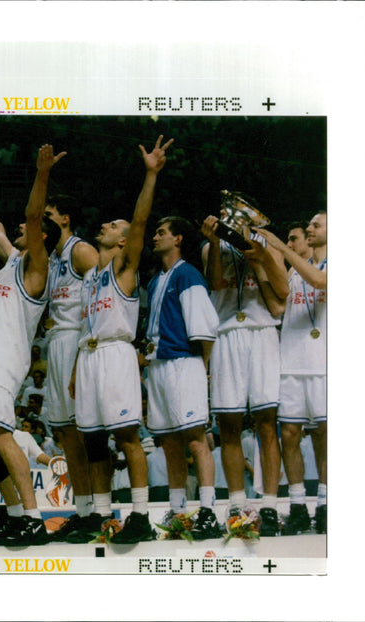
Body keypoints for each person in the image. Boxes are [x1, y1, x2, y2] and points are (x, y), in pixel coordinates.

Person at [66, 135, 173, 543]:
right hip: (89, 357)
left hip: (115, 355)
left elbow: (141, 222)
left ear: (124, 240)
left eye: (113, 226)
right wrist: (77, 369)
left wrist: (150, 176)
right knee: (92, 440)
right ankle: (101, 515)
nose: (105, 226)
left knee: (127, 435)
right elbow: (82, 328)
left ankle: (141, 515)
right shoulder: (90, 276)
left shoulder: (124, 269)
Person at [0, 144, 64, 546]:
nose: (20, 231)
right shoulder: (12, 263)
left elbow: (32, 217)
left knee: (1, 435)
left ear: (40, 238)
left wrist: (42, 173)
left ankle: (34, 518)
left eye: (28, 232)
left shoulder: (38, 269)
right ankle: (14, 516)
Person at [201, 197, 289, 536]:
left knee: (267, 421)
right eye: (224, 212)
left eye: (233, 212)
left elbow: (282, 291)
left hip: (262, 330)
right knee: (229, 422)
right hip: (227, 332)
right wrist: (212, 241)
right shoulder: (212, 246)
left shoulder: (268, 243)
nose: (226, 216)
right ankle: (237, 504)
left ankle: (269, 503)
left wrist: (262, 257)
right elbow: (216, 285)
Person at [144, 216, 221, 539]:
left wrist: (203, 372)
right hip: (158, 365)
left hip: (184, 363)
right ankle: (177, 512)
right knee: (170, 443)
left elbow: (204, 329)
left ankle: (207, 511)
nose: (155, 237)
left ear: (177, 239)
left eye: (162, 232)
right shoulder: (154, 280)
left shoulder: (188, 274)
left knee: (194, 440)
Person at [253, 211, 327, 534]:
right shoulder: (293, 275)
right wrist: (260, 262)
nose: (309, 229)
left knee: (325, 436)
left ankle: (325, 504)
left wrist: (281, 249)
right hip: (292, 364)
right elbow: (278, 308)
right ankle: (298, 505)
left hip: (325, 362)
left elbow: (320, 281)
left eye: (315, 225)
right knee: (289, 436)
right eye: (306, 226)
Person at [41, 190, 99, 541]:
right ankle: (83, 510)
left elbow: (100, 301)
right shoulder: (53, 258)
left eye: (49, 213)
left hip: (79, 342)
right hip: (57, 344)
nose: (44, 219)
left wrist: (83, 354)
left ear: (64, 218)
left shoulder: (81, 250)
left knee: (85, 433)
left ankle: (98, 509)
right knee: (67, 436)